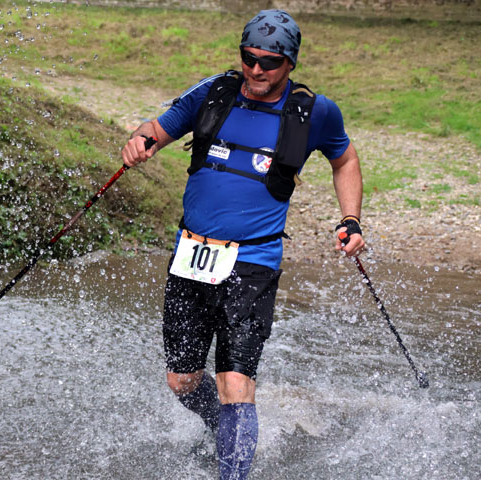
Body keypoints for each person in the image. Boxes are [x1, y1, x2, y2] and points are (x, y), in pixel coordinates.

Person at [121, 9, 365, 480]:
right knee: (182, 381)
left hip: (253, 262)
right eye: (249, 58)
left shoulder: (315, 112)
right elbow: (155, 128)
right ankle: (223, 436)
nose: (257, 70)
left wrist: (350, 220)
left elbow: (345, 158)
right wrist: (140, 142)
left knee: (235, 381)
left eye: (269, 62)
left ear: (290, 63)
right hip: (191, 256)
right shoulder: (215, 92)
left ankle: (233, 472)